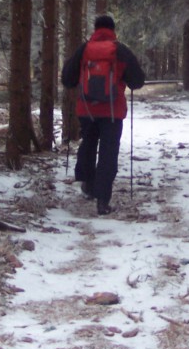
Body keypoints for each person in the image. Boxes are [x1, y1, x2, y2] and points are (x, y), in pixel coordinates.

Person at [61, 15, 146, 216]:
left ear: (95, 29)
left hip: (87, 110)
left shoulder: (84, 49)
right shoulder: (120, 50)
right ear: (112, 29)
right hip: (112, 111)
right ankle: (103, 200)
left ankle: (88, 185)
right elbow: (137, 81)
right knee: (109, 151)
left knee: (88, 143)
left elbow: (67, 79)